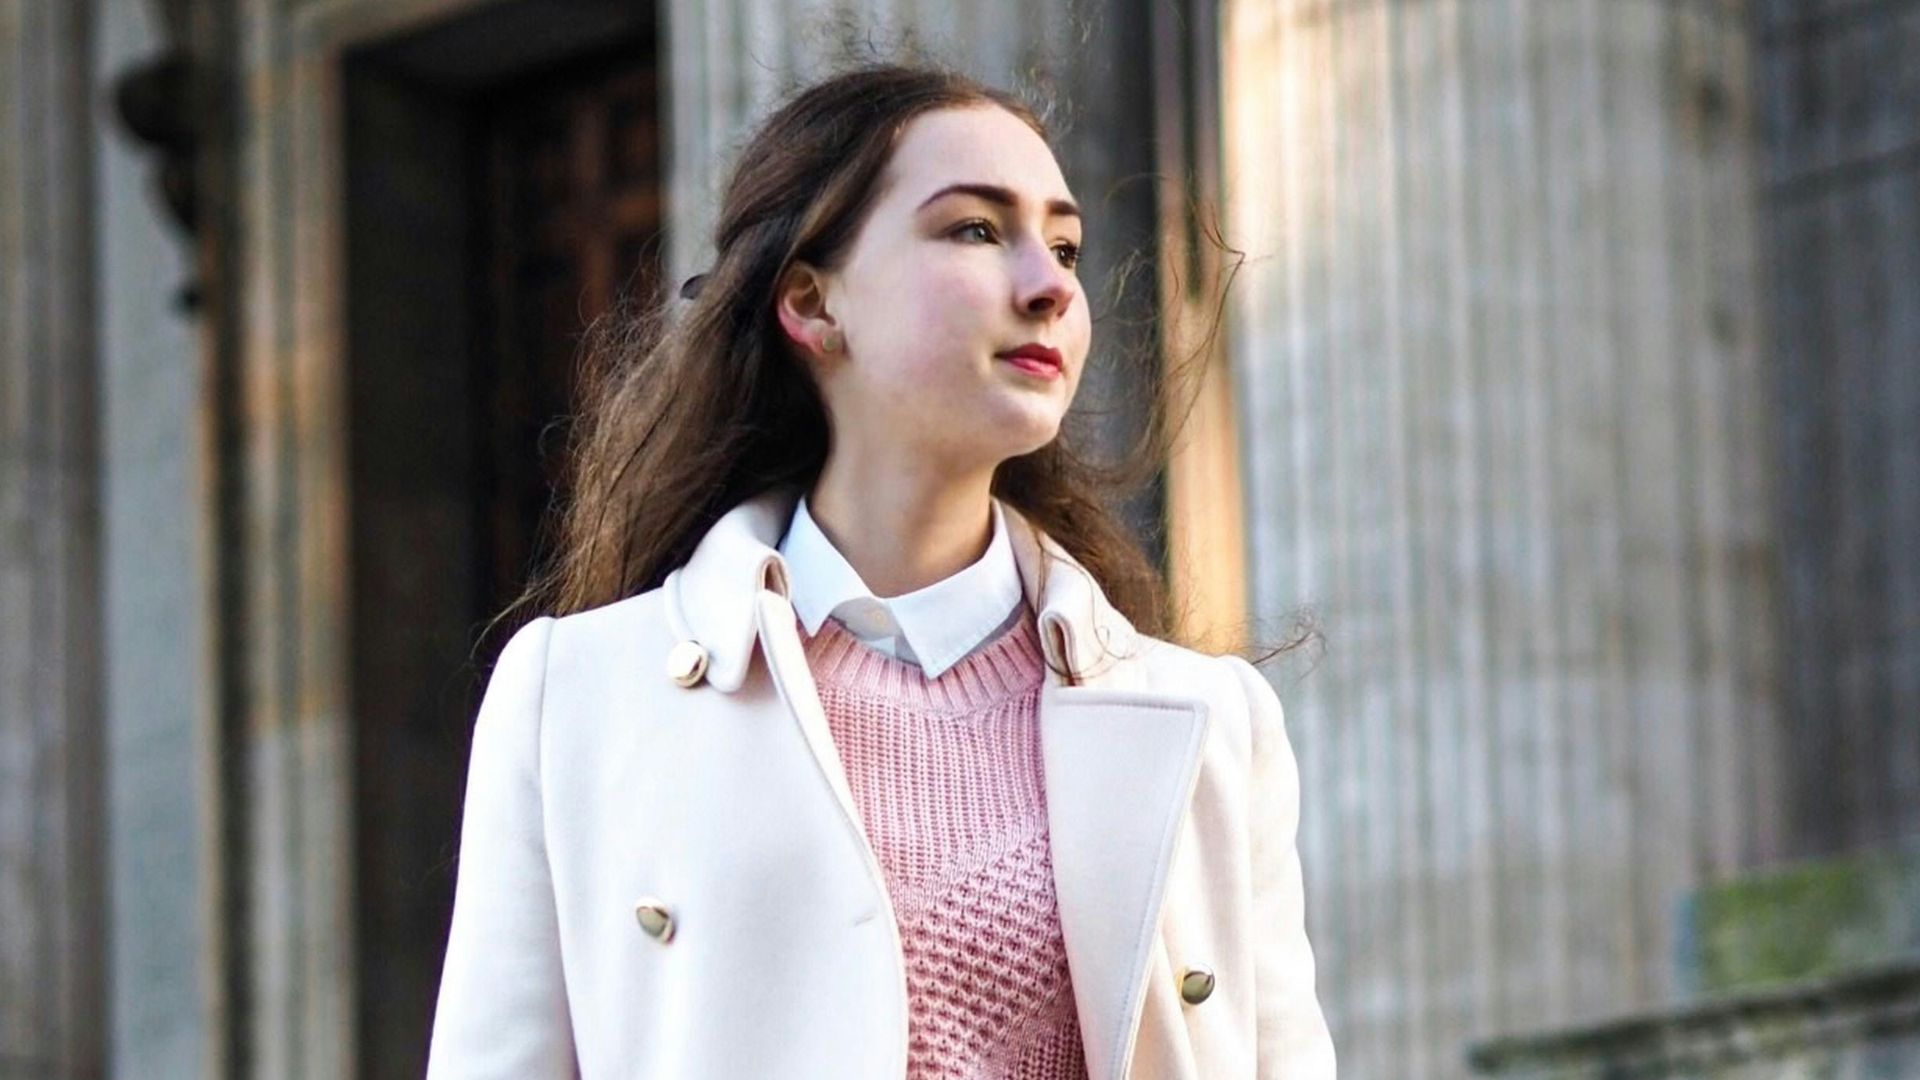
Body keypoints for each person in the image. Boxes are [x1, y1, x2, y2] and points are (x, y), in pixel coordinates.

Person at [425, 60, 1336, 1080]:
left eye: (1066, 247)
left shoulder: (1212, 722)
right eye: (976, 230)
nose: (1047, 285)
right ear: (812, 305)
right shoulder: (575, 698)